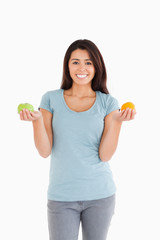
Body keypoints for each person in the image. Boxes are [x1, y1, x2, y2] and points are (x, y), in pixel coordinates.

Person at [19, 39, 136, 240]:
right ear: (67, 66)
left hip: (100, 195)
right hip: (61, 197)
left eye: (88, 62)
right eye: (75, 62)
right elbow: (44, 151)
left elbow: (105, 155)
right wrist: (36, 121)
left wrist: (117, 122)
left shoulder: (108, 102)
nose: (82, 68)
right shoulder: (50, 99)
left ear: (97, 66)